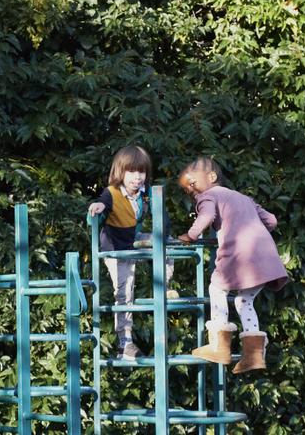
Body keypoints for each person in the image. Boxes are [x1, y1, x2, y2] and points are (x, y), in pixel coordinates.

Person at [177, 157, 288, 373]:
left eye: (192, 183)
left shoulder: (208, 196)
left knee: (217, 288)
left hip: (238, 255)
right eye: (186, 188)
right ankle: (254, 356)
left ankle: (219, 346)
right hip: (264, 255)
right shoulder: (243, 198)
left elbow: (207, 216)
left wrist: (191, 235)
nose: (190, 190)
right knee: (244, 301)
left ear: (212, 177)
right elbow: (272, 221)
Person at [87, 145, 176, 360]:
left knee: (169, 243)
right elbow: (102, 203)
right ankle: (124, 342)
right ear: (120, 172)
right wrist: (98, 206)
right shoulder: (112, 192)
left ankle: (164, 285)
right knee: (125, 292)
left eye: (141, 172)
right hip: (116, 248)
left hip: (133, 241)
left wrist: (162, 238)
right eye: (131, 172)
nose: (137, 177)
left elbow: (162, 220)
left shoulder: (147, 194)